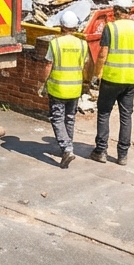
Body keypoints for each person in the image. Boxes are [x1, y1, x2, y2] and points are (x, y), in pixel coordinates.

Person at [90, 0, 134, 166]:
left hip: (111, 78)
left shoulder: (111, 28)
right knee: (126, 116)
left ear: (115, 10)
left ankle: (100, 151)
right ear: (129, 11)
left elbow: (102, 54)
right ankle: (123, 155)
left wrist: (96, 75)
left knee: (104, 113)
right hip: (130, 80)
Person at [37, 10, 86, 168]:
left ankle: (66, 149)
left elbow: (48, 66)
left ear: (62, 26)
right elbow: (84, 65)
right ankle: (67, 147)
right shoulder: (82, 44)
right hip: (75, 88)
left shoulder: (55, 43)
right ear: (75, 27)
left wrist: (42, 84)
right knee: (70, 118)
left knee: (57, 118)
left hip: (58, 88)